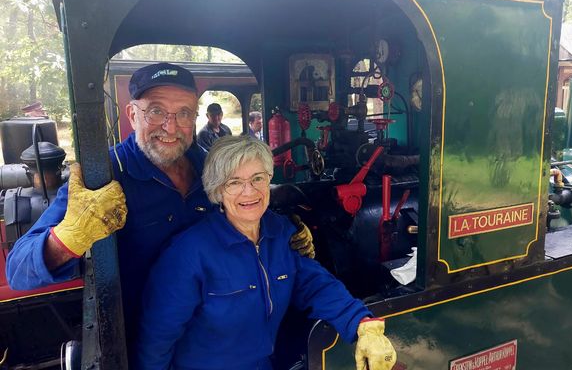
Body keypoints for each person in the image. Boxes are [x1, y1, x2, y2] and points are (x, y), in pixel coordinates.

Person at [6, 62, 314, 352]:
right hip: (144, 342)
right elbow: (18, 271)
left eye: (184, 113)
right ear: (132, 114)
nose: (170, 127)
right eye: (156, 111)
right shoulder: (103, 175)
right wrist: (67, 239)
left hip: (222, 336)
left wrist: (283, 238)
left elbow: (245, 209)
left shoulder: (209, 164)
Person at [135, 136, 397, 370]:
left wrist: (362, 325)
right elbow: (156, 339)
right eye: (234, 182)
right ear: (217, 190)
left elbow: (314, 284)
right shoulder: (187, 254)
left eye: (257, 178)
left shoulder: (279, 233)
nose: (249, 191)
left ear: (270, 180)